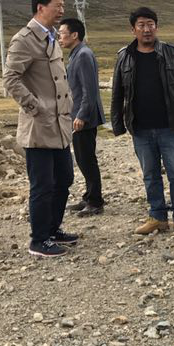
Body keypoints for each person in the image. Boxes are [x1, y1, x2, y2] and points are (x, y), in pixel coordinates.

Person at [110, 7, 174, 234]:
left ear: (156, 27)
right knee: (150, 175)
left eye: (150, 24)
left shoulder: (171, 53)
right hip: (140, 128)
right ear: (133, 29)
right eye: (141, 25)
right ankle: (157, 217)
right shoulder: (124, 57)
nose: (146, 29)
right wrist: (117, 124)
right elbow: (117, 93)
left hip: (171, 125)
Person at [3, 0, 77, 258]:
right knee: (43, 185)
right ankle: (39, 240)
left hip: (59, 125)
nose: (62, 10)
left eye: (63, 6)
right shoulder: (24, 39)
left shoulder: (51, 38)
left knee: (64, 178)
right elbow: (11, 78)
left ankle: (53, 229)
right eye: (58, 5)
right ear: (40, 7)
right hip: (39, 126)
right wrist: (35, 106)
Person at [59, 17, 106, 217]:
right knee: (82, 157)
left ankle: (95, 201)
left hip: (83, 118)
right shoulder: (77, 54)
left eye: (62, 33)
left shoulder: (84, 55)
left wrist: (82, 115)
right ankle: (89, 196)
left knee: (87, 159)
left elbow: (90, 90)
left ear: (74, 35)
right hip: (79, 115)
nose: (59, 37)